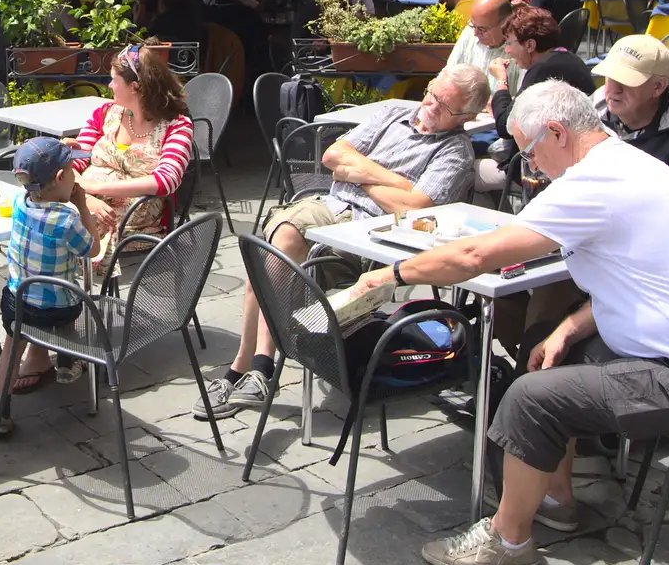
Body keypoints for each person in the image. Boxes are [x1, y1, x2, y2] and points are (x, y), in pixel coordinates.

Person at [339, 82, 669, 565]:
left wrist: (392, 274)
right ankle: (555, 499)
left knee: (532, 397)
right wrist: (571, 325)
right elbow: (645, 280)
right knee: (546, 347)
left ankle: (507, 543)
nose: (530, 168)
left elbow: (474, 255)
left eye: (528, 153)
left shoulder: (593, 183)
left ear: (556, 132)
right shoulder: (628, 164)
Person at [197, 64, 488, 420]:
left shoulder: (455, 151)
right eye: (432, 93)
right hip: (330, 205)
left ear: (468, 116)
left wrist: (360, 176)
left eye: (445, 106)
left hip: (375, 233)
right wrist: (397, 182)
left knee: (275, 263)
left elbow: (414, 207)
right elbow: (333, 157)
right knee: (277, 242)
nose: (430, 105)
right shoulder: (393, 112)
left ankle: (253, 366)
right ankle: (258, 366)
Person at [0, 138, 104, 412]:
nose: (75, 177)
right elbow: (93, 250)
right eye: (72, 170)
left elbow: (37, 170)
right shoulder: (67, 221)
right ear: (59, 177)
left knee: (12, 344)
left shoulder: (20, 202)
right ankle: (67, 359)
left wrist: (54, 149)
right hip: (58, 309)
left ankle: (1, 410)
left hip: (19, 302)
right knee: (71, 300)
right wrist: (82, 206)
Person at [67, 45, 195, 272]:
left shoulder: (176, 126)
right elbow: (76, 159)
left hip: (135, 216)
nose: (109, 85)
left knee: (57, 222)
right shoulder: (105, 113)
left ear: (135, 87)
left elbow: (166, 181)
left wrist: (96, 187)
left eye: (114, 80)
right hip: (87, 201)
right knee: (46, 205)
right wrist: (86, 199)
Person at [475, 7, 596, 194]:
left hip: (542, 173)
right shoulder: (569, 60)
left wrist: (501, 80)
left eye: (510, 43)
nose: (507, 50)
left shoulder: (542, 69)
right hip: (570, 163)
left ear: (530, 45)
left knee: (468, 170)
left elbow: (505, 126)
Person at [591, 34, 669, 200]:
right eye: (610, 77)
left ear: (658, 87)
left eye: (626, 80)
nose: (614, 89)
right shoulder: (587, 115)